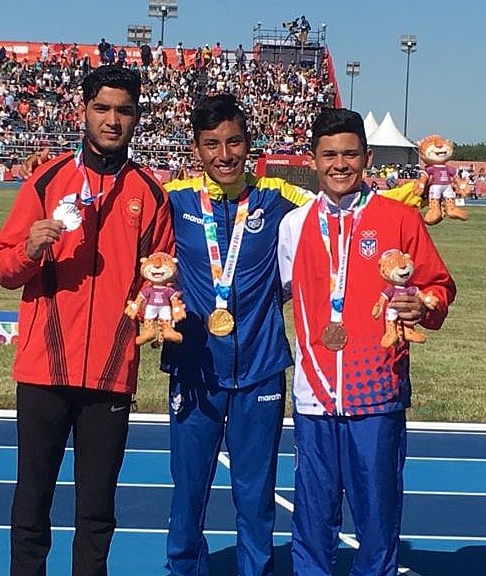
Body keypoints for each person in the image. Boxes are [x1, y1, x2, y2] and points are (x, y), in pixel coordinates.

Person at [0, 64, 173, 576]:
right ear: (83, 112)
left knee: (96, 512)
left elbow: (162, 275)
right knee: (32, 503)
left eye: (123, 110)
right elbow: (3, 268)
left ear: (137, 118)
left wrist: (160, 308)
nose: (112, 120)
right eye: (102, 108)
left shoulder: (150, 194)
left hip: (111, 376)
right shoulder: (46, 181)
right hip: (43, 370)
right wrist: (27, 251)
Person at [276, 108, 456, 576]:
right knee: (313, 522)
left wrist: (426, 304)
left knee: (377, 521)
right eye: (329, 155)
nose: (340, 164)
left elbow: (439, 285)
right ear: (313, 160)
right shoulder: (293, 226)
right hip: (314, 395)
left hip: (376, 393)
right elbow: (273, 295)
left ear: (367, 157)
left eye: (350, 154)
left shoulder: (398, 219)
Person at [161, 94, 313, 576]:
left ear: (250, 143)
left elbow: (345, 208)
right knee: (188, 493)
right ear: (196, 149)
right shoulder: (176, 199)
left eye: (233, 142)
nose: (224, 155)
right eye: (212, 145)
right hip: (195, 368)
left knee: (255, 495)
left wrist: (417, 192)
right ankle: (183, 570)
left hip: (261, 371)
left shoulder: (279, 198)